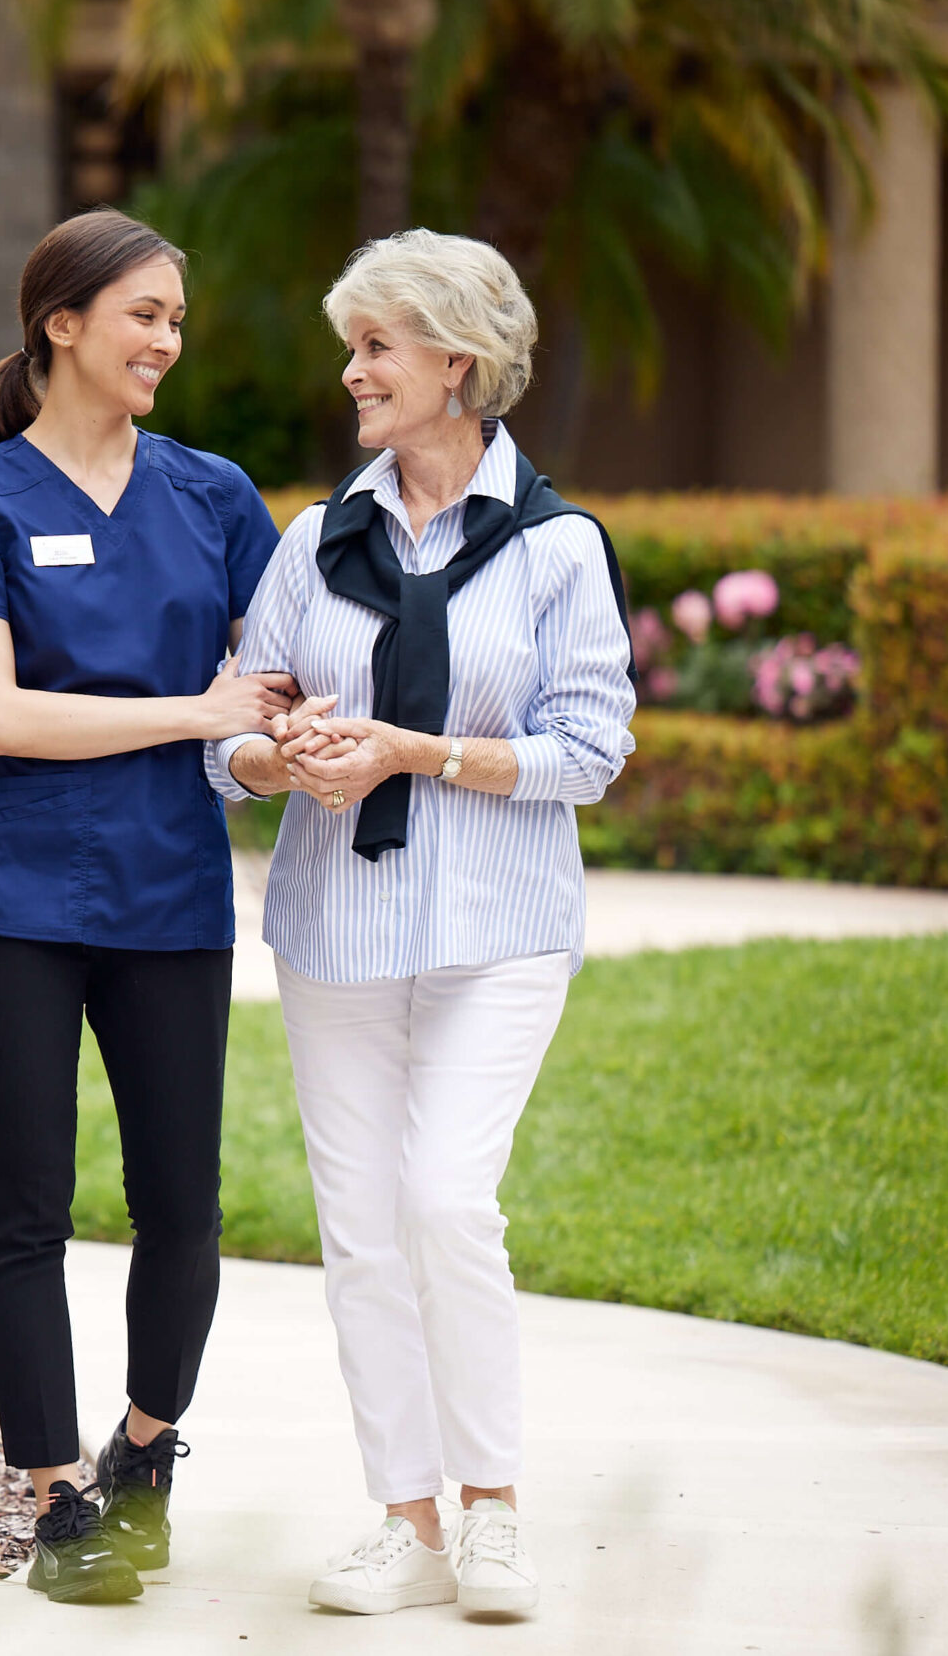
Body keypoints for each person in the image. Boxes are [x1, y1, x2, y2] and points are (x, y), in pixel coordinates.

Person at [207, 229, 636, 1616]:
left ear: (460, 361)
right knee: (362, 1227)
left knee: (448, 1200)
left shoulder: (559, 548)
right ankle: (408, 1520)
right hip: (334, 927)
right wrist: (282, 759)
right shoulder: (310, 542)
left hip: (499, 929)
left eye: (377, 346)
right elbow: (238, 725)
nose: (353, 373)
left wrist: (417, 752)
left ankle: (495, 1504)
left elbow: (589, 754)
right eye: (355, 347)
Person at [0, 208, 297, 1606]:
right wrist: (200, 708)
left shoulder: (213, 495)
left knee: (182, 1204)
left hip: (172, 896)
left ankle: (146, 1448)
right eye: (144, 315)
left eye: (176, 321)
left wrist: (291, 744)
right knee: (30, 1207)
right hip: (15, 904)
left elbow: (285, 677)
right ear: (62, 324)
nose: (166, 342)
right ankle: (55, 1494)